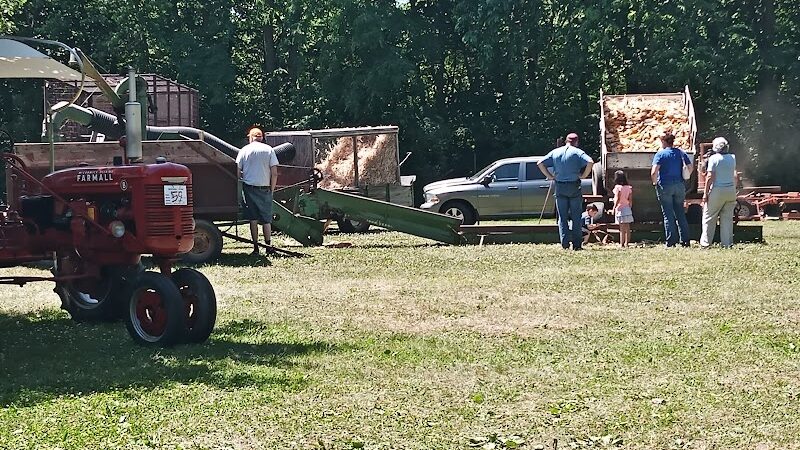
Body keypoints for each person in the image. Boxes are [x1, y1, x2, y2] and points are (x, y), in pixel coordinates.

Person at [538, 132, 594, 250]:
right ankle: (577, 245)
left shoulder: (555, 152)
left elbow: (540, 163)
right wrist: (584, 175)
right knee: (576, 217)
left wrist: (550, 176)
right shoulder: (578, 152)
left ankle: (565, 244)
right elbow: (590, 161)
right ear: (576, 142)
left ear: (566, 141)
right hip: (574, 186)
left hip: (560, 186)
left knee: (562, 218)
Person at [236, 127, 279, 255]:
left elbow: (237, 170)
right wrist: (271, 189)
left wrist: (243, 179)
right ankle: (268, 246)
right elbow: (274, 173)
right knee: (266, 220)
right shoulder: (269, 150)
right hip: (265, 189)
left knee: (253, 219)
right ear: (262, 138)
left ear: (250, 137)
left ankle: (255, 247)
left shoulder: (244, 150)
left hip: (249, 189)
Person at [651, 131, 693, 247]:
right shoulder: (681, 153)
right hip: (679, 185)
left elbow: (654, 172)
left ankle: (671, 241)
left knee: (668, 214)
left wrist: (655, 183)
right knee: (680, 213)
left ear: (663, 142)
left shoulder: (660, 154)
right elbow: (690, 167)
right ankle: (685, 240)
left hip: (665, 186)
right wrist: (684, 177)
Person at [700, 137, 738, 248]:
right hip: (730, 190)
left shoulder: (714, 158)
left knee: (709, 217)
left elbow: (709, 176)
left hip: (717, 190)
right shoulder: (732, 157)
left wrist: (705, 193)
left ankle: (706, 243)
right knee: (727, 219)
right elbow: (735, 175)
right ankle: (727, 243)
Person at [612, 170, 634, 247]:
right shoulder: (629, 188)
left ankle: (621, 244)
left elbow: (617, 199)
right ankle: (627, 243)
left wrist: (614, 208)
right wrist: (629, 206)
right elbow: (630, 199)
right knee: (627, 228)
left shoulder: (617, 188)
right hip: (627, 208)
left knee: (621, 228)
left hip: (620, 209)